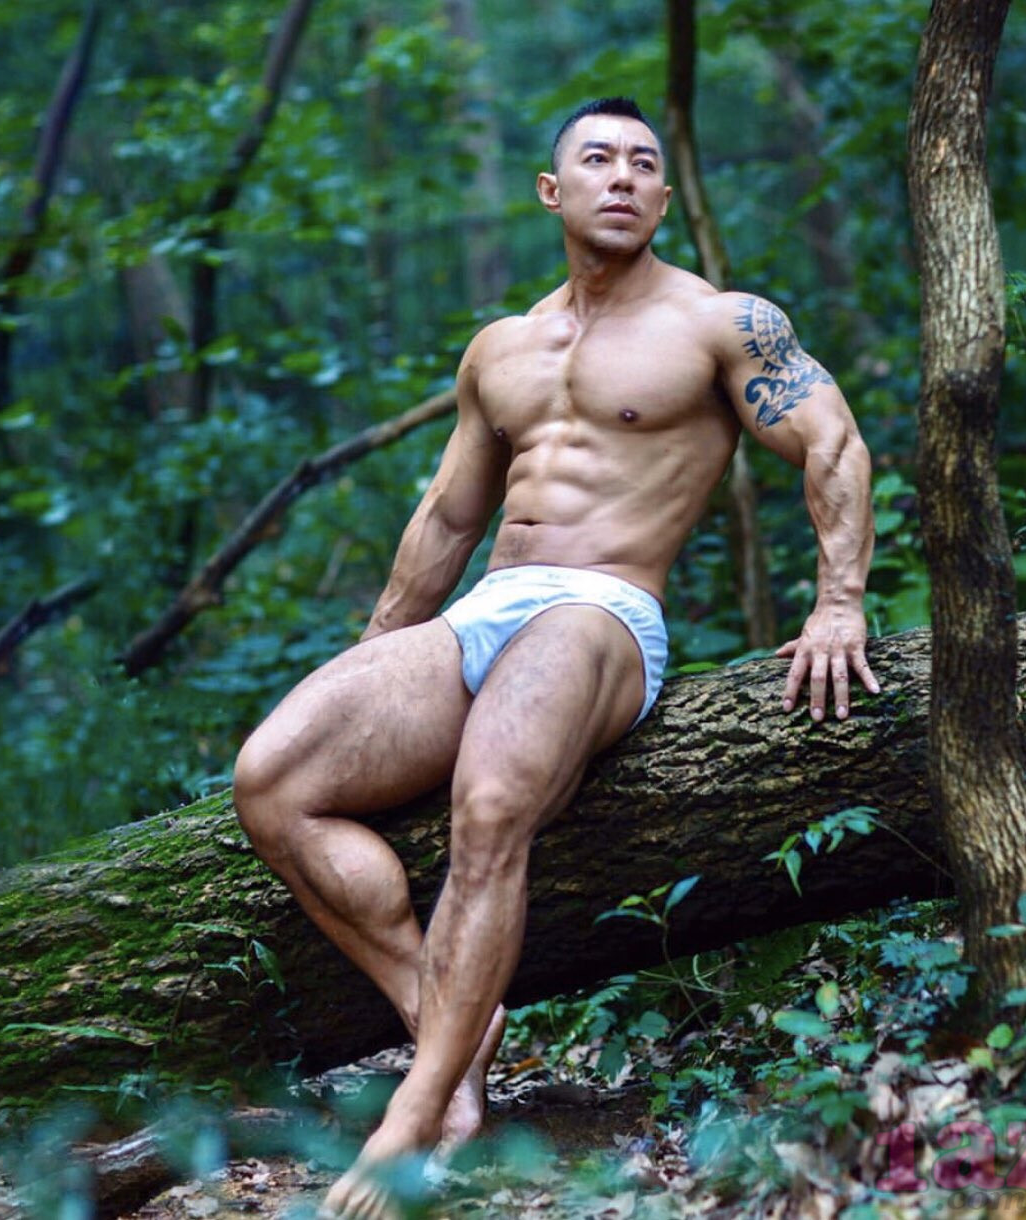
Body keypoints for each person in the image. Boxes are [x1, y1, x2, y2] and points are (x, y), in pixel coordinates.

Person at [233, 96, 880, 1220]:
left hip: (603, 613)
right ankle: (451, 1022)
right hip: (488, 609)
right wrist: (380, 654)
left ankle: (415, 1116)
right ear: (552, 190)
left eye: (642, 163)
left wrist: (839, 604)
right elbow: (448, 518)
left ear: (664, 197)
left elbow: (830, 439)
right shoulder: (501, 348)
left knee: (490, 807)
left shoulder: (721, 323)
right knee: (272, 780)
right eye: (597, 159)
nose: (621, 176)